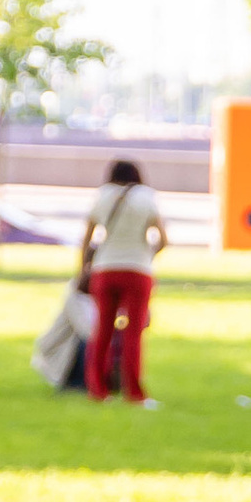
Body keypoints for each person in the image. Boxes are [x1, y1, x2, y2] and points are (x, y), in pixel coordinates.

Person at [79, 155, 165, 407]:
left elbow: (87, 238)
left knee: (102, 331)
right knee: (133, 333)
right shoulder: (146, 197)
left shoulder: (102, 196)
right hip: (137, 270)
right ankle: (134, 394)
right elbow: (163, 239)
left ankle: (97, 390)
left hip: (105, 269)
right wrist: (146, 256)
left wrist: (83, 268)